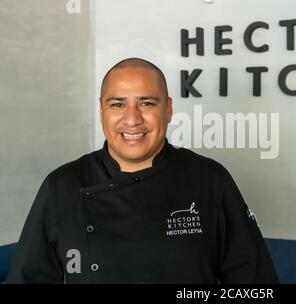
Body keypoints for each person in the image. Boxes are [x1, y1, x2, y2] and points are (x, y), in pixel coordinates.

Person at [6, 58, 279, 283]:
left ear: (169, 109)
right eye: (118, 104)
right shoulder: (62, 186)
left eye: (147, 103)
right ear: (101, 109)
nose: (133, 119)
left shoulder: (210, 180)